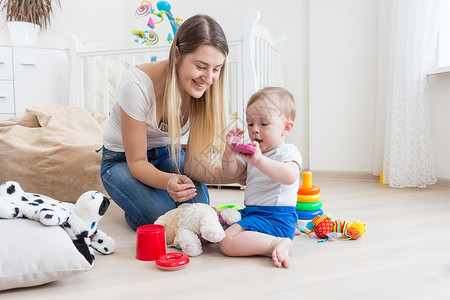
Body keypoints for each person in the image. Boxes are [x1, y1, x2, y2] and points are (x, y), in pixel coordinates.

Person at [100, 14, 234, 230]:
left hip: (166, 153)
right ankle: (139, 206)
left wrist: (242, 173)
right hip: (121, 160)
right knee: (160, 216)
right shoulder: (136, 87)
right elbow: (137, 163)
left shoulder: (204, 92)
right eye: (201, 67)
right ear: (177, 54)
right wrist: (167, 182)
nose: (209, 79)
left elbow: (193, 166)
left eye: (216, 69)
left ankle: (146, 199)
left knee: (198, 210)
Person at [219, 87, 302, 268]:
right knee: (218, 226)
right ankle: (272, 238)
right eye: (250, 124)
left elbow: (290, 176)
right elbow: (232, 174)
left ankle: (276, 243)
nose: (255, 130)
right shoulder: (256, 154)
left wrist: (259, 161)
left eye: (263, 124)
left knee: (226, 241)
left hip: (276, 216)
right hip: (254, 213)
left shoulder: (287, 151)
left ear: (286, 128)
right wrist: (229, 153)